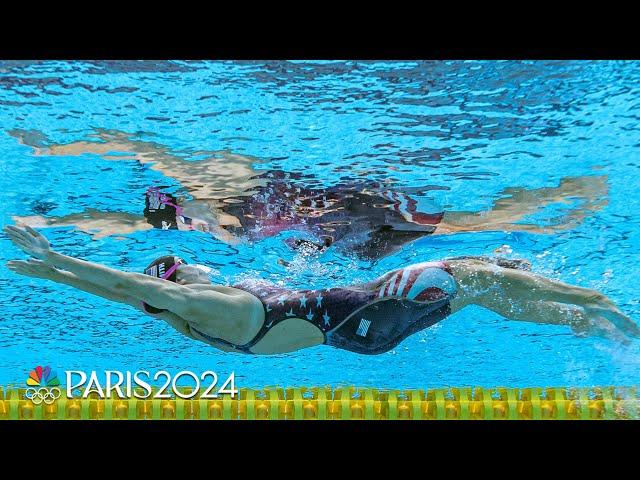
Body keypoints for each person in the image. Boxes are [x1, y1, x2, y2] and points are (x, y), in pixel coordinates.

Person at [5, 225, 638, 355]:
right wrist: (57, 255)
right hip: (370, 309)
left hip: (364, 333)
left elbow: (125, 296)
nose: (192, 267)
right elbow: (125, 284)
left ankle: (588, 326)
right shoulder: (205, 305)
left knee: (479, 291)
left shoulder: (192, 320)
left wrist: (50, 276)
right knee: (471, 270)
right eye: (176, 270)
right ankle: (599, 307)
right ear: (170, 288)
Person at [11, 129, 608, 259]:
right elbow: (116, 213)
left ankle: (567, 195)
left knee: (464, 224)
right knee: (464, 226)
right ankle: (554, 212)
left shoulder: (221, 191)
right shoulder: (216, 215)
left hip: (345, 202)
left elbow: (131, 147)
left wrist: (50, 152)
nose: (181, 219)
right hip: (331, 220)